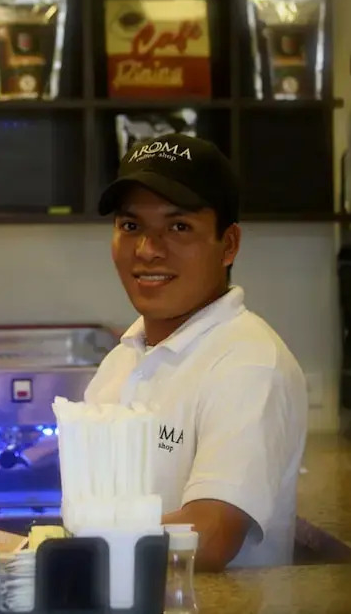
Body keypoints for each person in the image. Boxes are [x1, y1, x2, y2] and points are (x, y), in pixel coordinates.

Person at [84, 133, 307, 571]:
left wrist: (74, 547)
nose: (148, 250)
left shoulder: (248, 363)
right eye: (131, 226)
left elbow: (211, 534)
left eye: (179, 227)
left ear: (229, 245)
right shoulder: (122, 361)